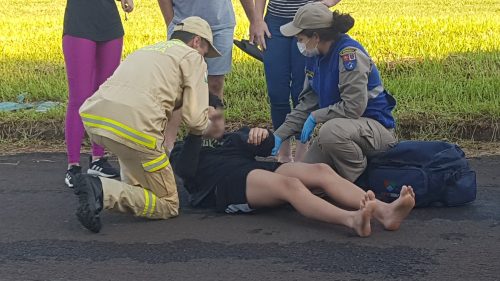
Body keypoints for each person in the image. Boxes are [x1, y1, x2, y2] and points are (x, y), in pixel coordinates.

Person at [170, 95, 415, 237]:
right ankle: (352, 219)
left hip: (254, 172)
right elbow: (186, 171)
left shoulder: (232, 140)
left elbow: (266, 149)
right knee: (291, 185)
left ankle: (385, 211)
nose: (218, 123)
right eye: (211, 118)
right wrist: (195, 130)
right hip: (224, 188)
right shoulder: (184, 148)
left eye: (220, 117)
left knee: (321, 171)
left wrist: (262, 134)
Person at [73, 17, 220, 233]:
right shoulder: (192, 58)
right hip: (136, 129)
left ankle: (120, 192)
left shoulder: (148, 50)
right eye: (206, 51)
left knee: (137, 175)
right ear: (196, 41)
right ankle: (102, 190)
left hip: (97, 120)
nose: (205, 57)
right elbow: (194, 119)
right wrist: (208, 125)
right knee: (168, 203)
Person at [273, 3, 397, 182]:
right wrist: (279, 135)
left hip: (375, 130)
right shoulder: (315, 58)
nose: (298, 44)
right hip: (347, 129)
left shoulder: (349, 55)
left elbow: (353, 108)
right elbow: (308, 103)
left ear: (315, 36)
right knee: (302, 178)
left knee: (330, 132)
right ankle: (334, 189)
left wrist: (315, 117)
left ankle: (360, 182)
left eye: (300, 39)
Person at [250, 0, 342, 162]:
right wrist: (257, 20)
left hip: (308, 22)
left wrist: (328, 2)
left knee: (302, 91)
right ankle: (283, 154)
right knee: (277, 92)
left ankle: (302, 155)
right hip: (275, 22)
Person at [158, 0, 256, 151]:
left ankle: (213, 141)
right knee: (178, 85)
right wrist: (171, 22)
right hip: (184, 25)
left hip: (220, 24)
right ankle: (168, 144)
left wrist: (254, 19)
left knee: (215, 84)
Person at [62, 0, 134, 187]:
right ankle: (73, 165)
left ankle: (98, 159)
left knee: (104, 96)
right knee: (80, 97)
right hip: (79, 23)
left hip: (109, 23)